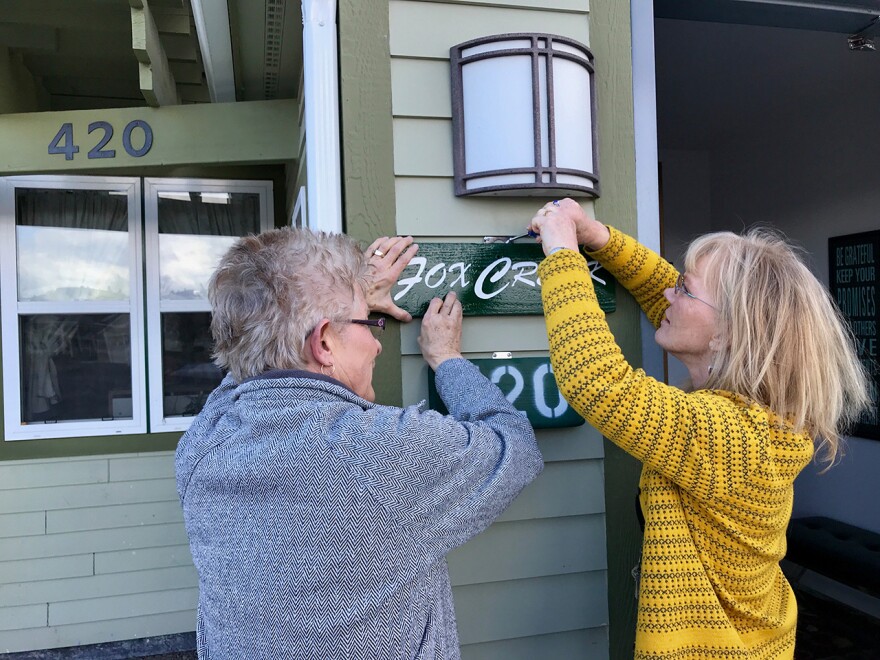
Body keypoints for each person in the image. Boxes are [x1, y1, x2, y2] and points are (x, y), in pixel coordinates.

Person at [175, 228, 543, 659]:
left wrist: (350, 299)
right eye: (368, 323)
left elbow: (252, 363)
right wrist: (448, 361)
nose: (375, 342)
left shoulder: (202, 444)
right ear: (325, 342)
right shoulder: (384, 452)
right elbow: (513, 446)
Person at [527, 199, 869, 660]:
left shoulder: (730, 435)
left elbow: (598, 381)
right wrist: (597, 237)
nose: (669, 294)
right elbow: (666, 292)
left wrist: (562, 254)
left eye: (685, 291)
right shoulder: (757, 415)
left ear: (730, 332)